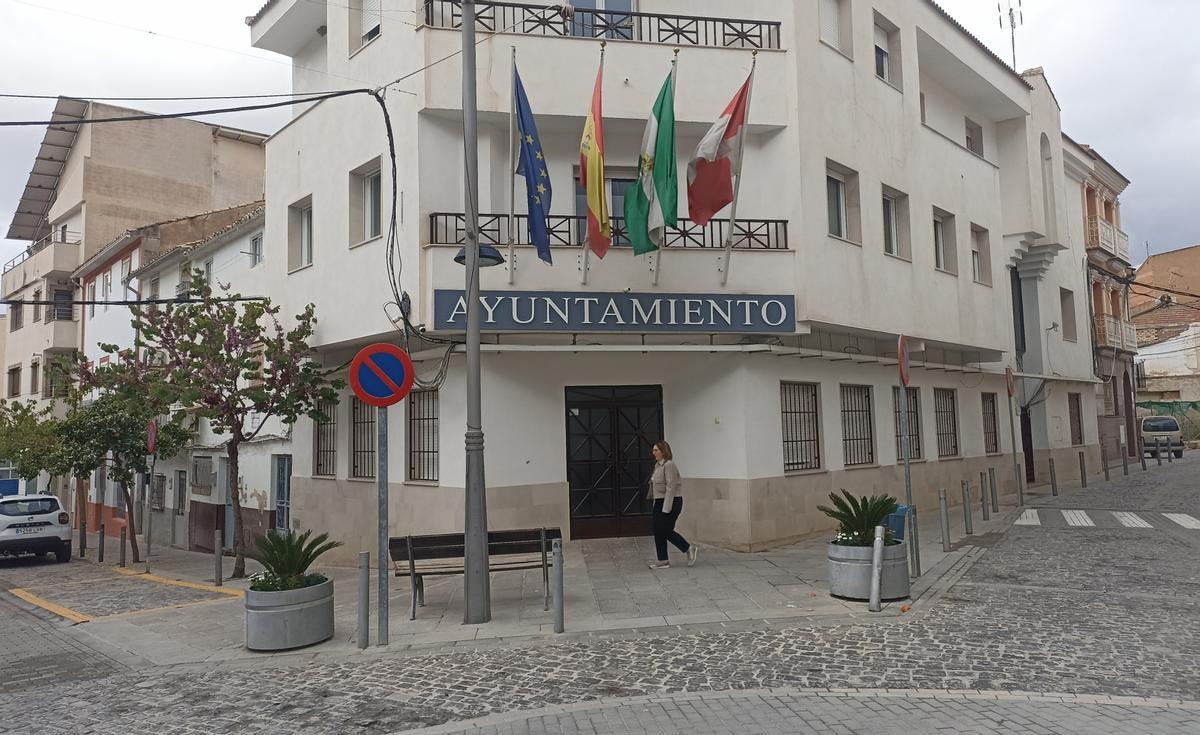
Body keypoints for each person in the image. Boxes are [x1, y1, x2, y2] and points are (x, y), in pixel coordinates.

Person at [647, 440, 697, 569]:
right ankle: (662, 560)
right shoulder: (658, 465)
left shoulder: (669, 465)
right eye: (653, 450)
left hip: (671, 501)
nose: (653, 453)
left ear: (663, 451)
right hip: (659, 501)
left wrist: (666, 508)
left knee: (665, 529)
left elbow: (671, 487)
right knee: (657, 530)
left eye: (656, 450)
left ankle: (688, 548)